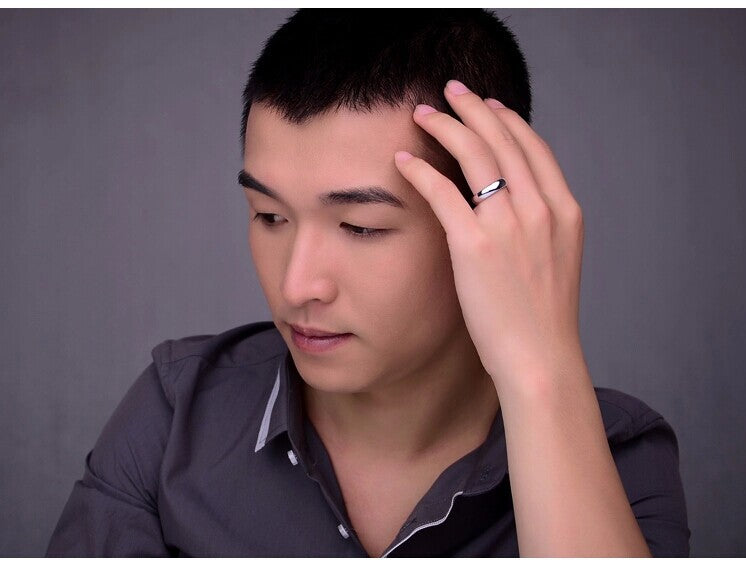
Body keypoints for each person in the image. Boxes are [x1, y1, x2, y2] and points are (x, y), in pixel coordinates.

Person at [46, 9, 690, 557]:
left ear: (490, 226)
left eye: (360, 226)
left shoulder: (617, 457)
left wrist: (540, 370)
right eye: (269, 216)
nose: (297, 285)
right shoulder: (176, 415)